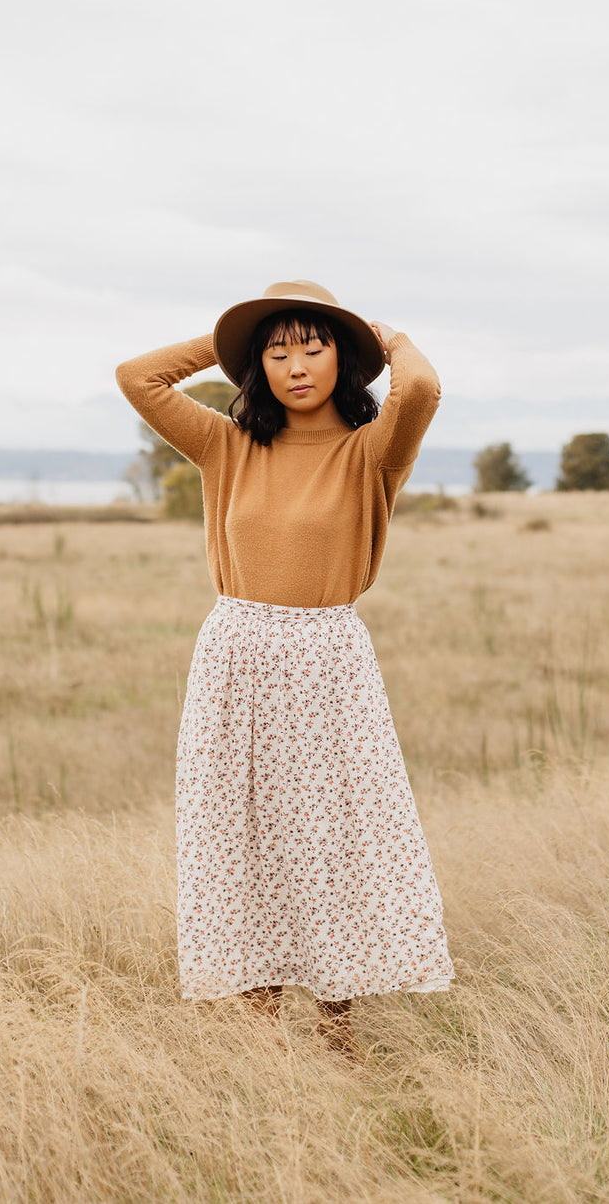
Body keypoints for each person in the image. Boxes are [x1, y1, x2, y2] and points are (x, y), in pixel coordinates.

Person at [115, 280, 454, 1056]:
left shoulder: (372, 450)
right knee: (238, 841)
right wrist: (228, 340)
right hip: (234, 657)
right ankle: (258, 1047)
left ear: (345, 358)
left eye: (313, 345)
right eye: (275, 352)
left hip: (327, 662)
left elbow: (424, 386)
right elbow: (139, 378)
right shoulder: (226, 445)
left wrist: (384, 334)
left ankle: (341, 1038)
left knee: (328, 842)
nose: (295, 364)